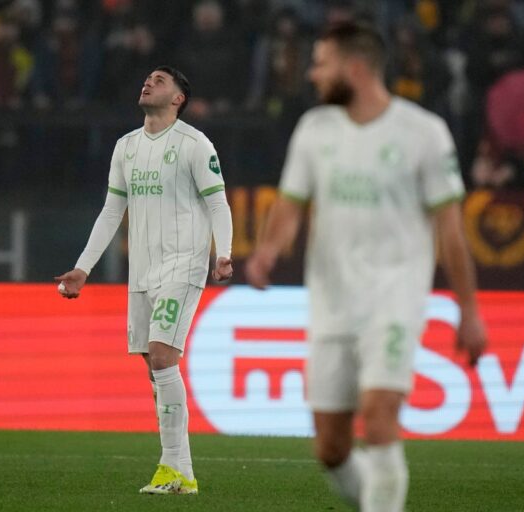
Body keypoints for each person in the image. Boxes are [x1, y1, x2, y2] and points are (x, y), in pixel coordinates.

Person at [245, 22, 486, 511]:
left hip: (394, 298)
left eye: (321, 63)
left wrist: (469, 310)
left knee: (378, 419)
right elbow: (290, 205)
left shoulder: (423, 133)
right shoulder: (315, 130)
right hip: (332, 302)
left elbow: (451, 231)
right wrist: (270, 249)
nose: (312, 74)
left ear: (354, 69)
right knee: (331, 448)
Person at [55, 65, 234, 495]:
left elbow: (218, 203)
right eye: (148, 78)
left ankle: (174, 470)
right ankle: (180, 471)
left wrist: (223, 253)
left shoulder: (194, 144)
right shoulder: (126, 147)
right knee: (154, 370)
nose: (148, 82)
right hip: (142, 272)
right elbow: (112, 212)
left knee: (161, 357)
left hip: (183, 264)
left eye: (160, 80)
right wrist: (84, 267)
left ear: (178, 98)